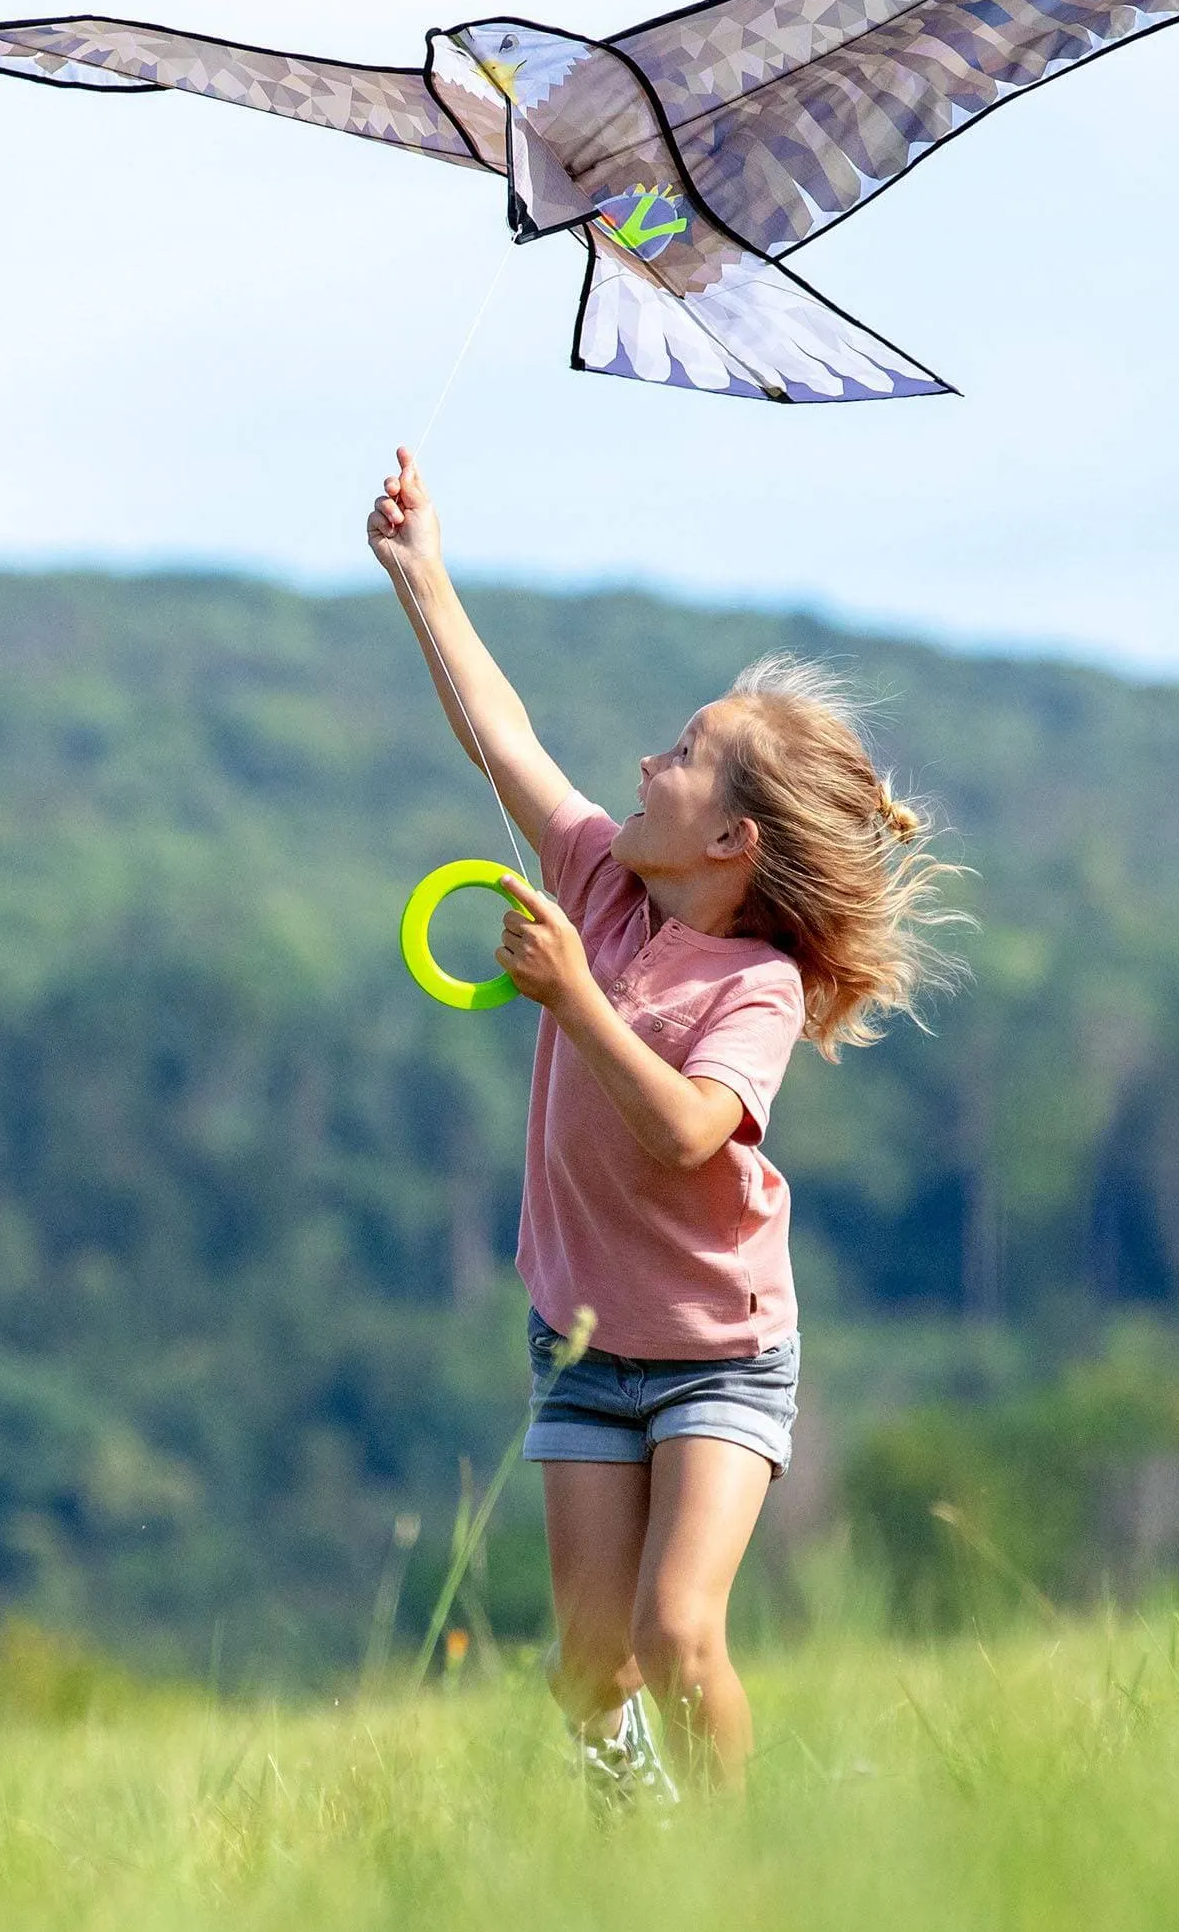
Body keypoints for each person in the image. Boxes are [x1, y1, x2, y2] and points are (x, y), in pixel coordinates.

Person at [365, 445, 960, 1795]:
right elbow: (502, 739)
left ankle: (739, 1885)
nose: (646, 758)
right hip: (581, 1340)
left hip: (714, 1351)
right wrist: (420, 575)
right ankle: (643, 1854)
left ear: (731, 842)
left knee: (676, 1633)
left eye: (682, 756)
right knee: (590, 1666)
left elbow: (692, 1131)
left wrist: (577, 1004)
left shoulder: (753, 982)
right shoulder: (598, 883)